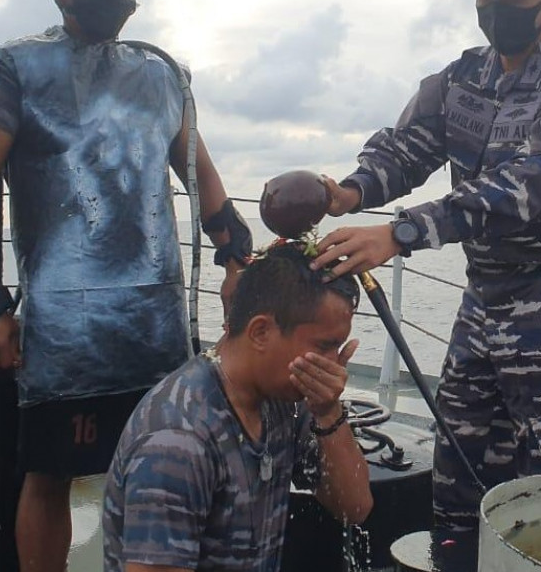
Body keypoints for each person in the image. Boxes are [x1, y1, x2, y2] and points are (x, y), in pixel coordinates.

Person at [0, 0, 250, 572]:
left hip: (155, 325)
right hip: (60, 328)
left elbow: (200, 176)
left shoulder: (161, 73)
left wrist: (236, 252)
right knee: (47, 473)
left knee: (159, 466)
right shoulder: (16, 71)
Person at [311, 0, 541, 533]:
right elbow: (407, 150)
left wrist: (397, 234)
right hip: (482, 308)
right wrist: (349, 191)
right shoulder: (460, 78)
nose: (495, 8)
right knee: (457, 477)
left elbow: (522, 189)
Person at [103, 242, 372, 572]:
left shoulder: (284, 399)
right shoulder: (178, 439)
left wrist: (329, 412)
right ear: (260, 332)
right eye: (324, 346)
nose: (334, 367)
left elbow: (355, 508)